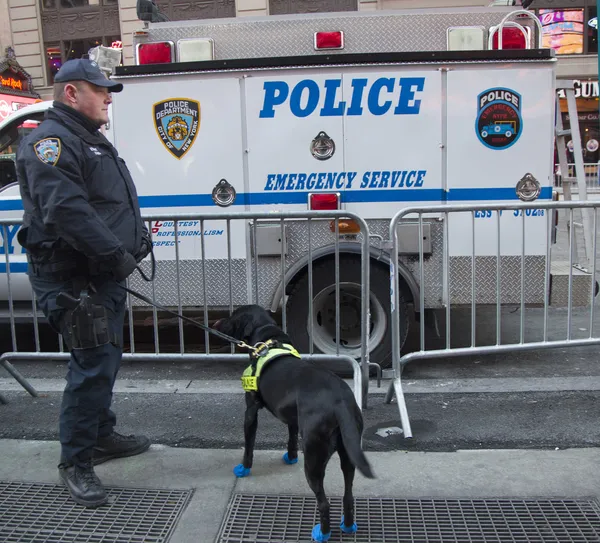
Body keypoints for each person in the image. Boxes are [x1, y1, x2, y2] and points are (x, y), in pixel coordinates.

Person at [15, 58, 153, 508]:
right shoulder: (51, 143)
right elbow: (67, 211)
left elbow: (105, 203)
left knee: (104, 359)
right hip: (75, 279)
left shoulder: (85, 139)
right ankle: (76, 462)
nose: (109, 97)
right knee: (92, 366)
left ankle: (101, 435)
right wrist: (117, 255)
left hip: (98, 275)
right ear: (71, 94)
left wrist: (137, 237)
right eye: (100, 90)